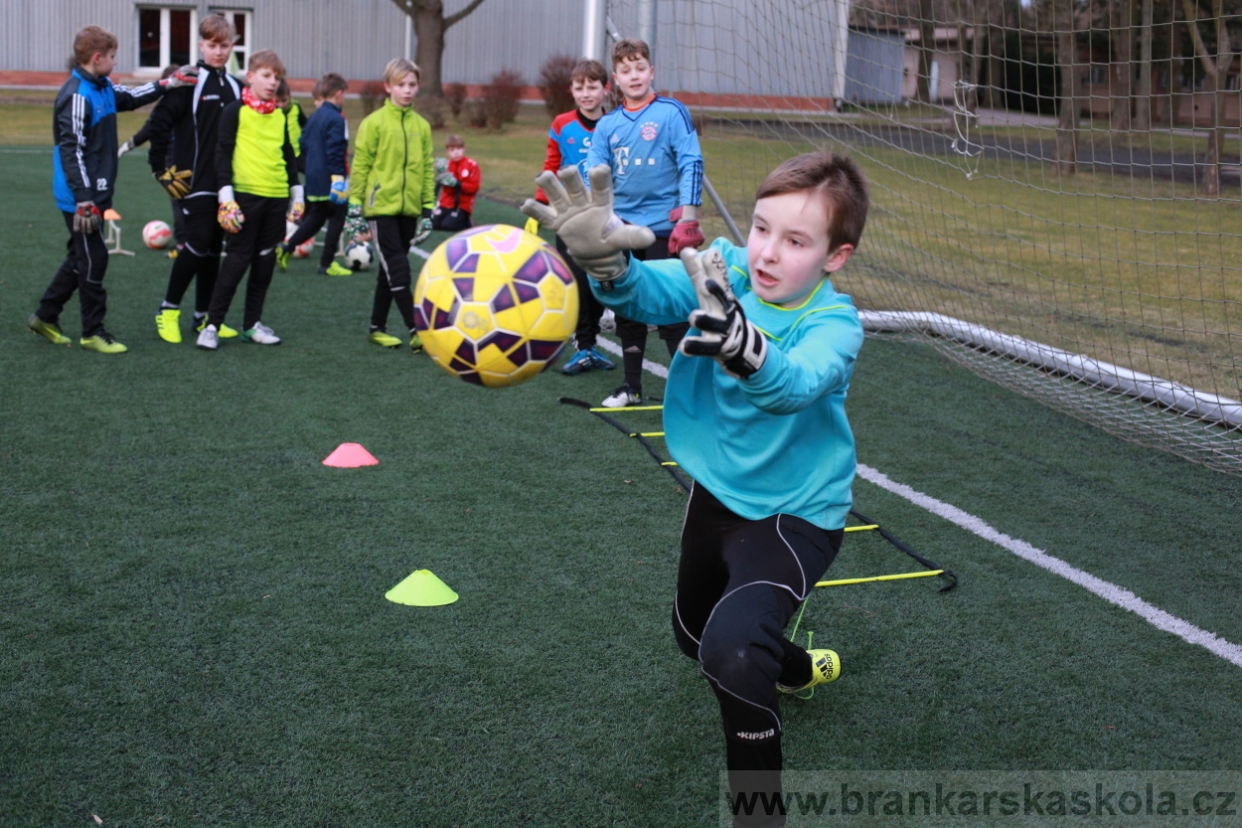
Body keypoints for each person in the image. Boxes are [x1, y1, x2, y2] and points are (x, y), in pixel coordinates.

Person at [522, 150, 869, 828]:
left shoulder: (836, 323)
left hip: (795, 514)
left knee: (731, 651)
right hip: (715, 494)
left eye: (796, 241)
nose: (768, 253)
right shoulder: (726, 266)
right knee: (692, 636)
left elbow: (795, 381)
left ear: (836, 256)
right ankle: (795, 669)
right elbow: (652, 293)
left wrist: (744, 344)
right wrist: (611, 267)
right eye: (764, 228)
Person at [28, 25, 196, 354]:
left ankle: (46, 316)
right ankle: (92, 331)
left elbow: (131, 98)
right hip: (80, 197)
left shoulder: (101, 85)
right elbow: (71, 151)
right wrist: (83, 200)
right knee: (95, 258)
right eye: (113, 57)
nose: (116, 63)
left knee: (81, 255)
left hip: (96, 193)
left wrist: (167, 83)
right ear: (96, 58)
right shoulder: (77, 95)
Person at [585, 38, 705, 406]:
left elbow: (691, 163)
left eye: (640, 68)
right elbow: (595, 174)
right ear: (615, 81)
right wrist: (606, 219)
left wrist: (689, 215)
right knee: (627, 307)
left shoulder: (672, 112)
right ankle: (631, 386)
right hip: (623, 230)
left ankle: (689, 391)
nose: (634, 75)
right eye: (625, 70)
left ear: (651, 72)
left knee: (671, 308)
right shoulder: (607, 125)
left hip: (664, 229)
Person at [196, 49, 302, 350]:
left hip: (276, 199)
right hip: (244, 198)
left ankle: (251, 324)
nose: (273, 83)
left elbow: (287, 156)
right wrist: (225, 196)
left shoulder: (280, 115)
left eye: (277, 77)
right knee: (237, 262)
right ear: (251, 76)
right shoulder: (234, 111)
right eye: (267, 76)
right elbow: (222, 154)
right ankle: (212, 325)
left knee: (265, 262)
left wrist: (297, 193)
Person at [146, 13, 242, 344]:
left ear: (233, 46)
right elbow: (159, 119)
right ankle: (167, 309)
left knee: (214, 248)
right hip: (194, 180)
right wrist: (159, 166)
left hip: (226, 183)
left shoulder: (235, 87)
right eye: (212, 45)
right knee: (198, 243)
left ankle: (203, 318)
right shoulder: (188, 80)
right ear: (201, 44)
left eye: (224, 45)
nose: (218, 51)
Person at [531, 58, 615, 376]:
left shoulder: (616, 123)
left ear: (605, 90)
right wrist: (542, 204)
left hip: (605, 217)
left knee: (600, 281)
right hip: (569, 216)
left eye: (592, 86)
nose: (585, 93)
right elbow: (551, 164)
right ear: (571, 90)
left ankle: (590, 340)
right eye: (579, 87)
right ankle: (584, 346)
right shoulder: (562, 123)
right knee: (577, 279)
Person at [344, 57, 434, 351]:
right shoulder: (374, 124)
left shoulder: (422, 126)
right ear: (388, 87)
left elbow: (427, 168)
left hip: (408, 210)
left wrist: (428, 208)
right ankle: (416, 329)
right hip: (379, 207)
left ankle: (376, 327)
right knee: (399, 268)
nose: (407, 90)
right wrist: (355, 204)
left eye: (412, 84)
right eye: (400, 85)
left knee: (387, 270)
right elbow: (361, 165)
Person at [277, 72, 352, 276]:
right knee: (338, 216)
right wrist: (338, 179)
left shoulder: (314, 117)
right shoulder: (337, 118)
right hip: (331, 178)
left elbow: (303, 144)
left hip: (314, 177)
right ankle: (327, 264)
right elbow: (335, 150)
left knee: (316, 218)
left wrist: (313, 168)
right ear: (338, 94)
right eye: (344, 94)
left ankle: (287, 247)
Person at [430, 134, 480, 232]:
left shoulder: (472, 165)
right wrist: (442, 179)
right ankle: (449, 216)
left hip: (462, 204)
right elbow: (446, 191)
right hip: (445, 203)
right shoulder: (446, 165)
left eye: (458, 148)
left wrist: (458, 184)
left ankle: (466, 221)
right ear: (447, 152)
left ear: (464, 149)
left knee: (449, 225)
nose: (456, 152)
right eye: (452, 150)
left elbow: (474, 188)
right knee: (433, 223)